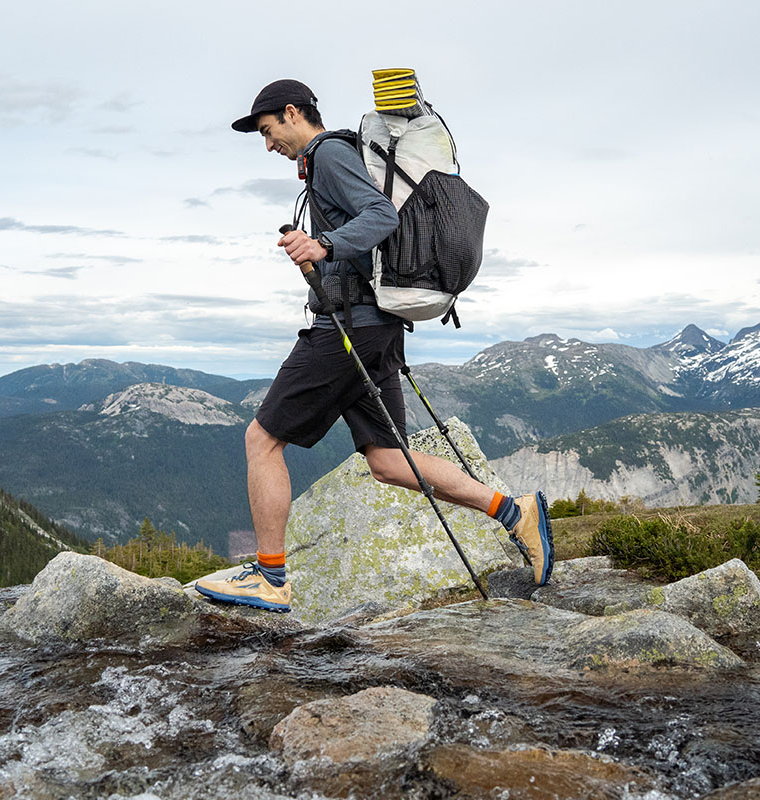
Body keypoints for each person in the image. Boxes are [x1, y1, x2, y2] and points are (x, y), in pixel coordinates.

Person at [195, 79, 552, 612]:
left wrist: (324, 243)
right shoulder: (330, 159)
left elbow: (381, 217)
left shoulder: (329, 155)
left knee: (261, 440)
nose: (269, 145)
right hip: (376, 327)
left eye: (269, 132)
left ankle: (269, 575)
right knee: (387, 459)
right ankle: (512, 511)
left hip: (347, 329)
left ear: (293, 114)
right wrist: (327, 255)